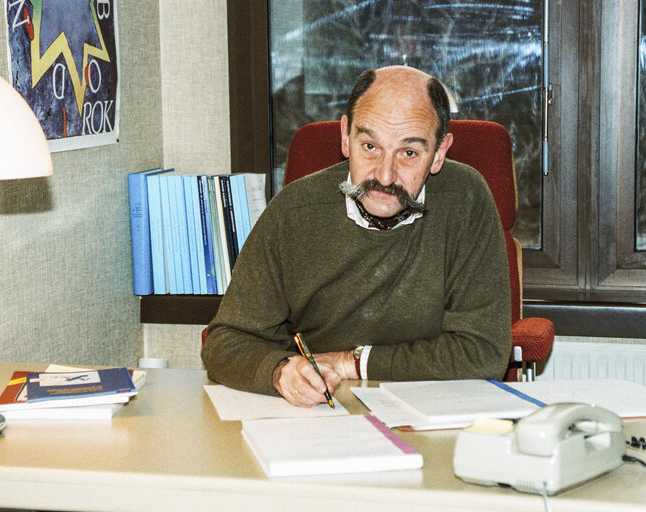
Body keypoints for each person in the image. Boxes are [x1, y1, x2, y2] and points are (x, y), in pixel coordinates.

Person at [201, 65, 511, 407]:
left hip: (432, 408)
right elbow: (224, 342)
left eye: (409, 152)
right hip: (322, 412)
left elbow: (484, 353)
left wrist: (350, 362)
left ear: (438, 153)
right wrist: (280, 371)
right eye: (370, 145)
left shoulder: (466, 199)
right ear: (345, 136)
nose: (385, 174)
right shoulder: (294, 211)